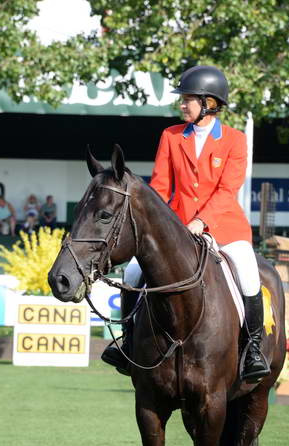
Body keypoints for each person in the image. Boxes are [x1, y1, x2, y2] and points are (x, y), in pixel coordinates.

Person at [102, 65, 270, 383]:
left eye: (188, 99)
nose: (182, 105)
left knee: (248, 272)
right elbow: (161, 187)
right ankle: (127, 340)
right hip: (176, 226)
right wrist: (157, 224)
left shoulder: (235, 141)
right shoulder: (171, 136)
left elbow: (226, 191)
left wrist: (200, 221)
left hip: (224, 225)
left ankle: (253, 349)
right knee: (133, 272)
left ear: (209, 102)